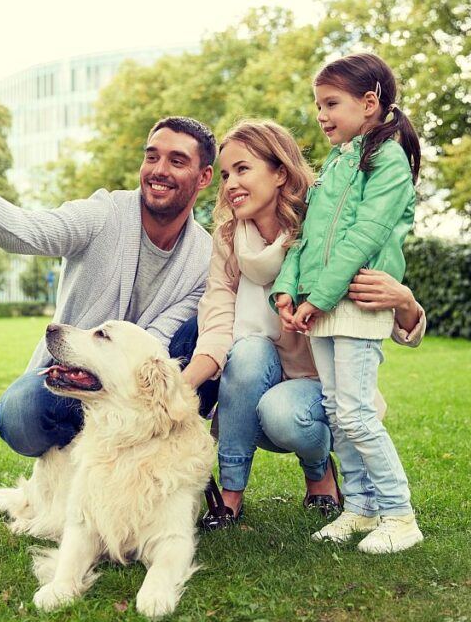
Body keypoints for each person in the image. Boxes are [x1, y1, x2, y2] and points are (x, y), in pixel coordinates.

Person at [0, 115, 218, 456]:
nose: (159, 170)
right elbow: (28, 230)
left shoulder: (204, 258)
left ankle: (148, 454)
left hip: (137, 391)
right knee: (18, 414)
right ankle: (87, 464)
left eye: (176, 161)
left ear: (204, 176)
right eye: (152, 157)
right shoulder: (104, 213)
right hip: (70, 375)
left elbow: (157, 343)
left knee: (206, 327)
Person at [180, 120, 426, 530]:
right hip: (254, 382)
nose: (230, 184)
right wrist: (181, 387)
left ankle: (321, 475)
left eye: (243, 169)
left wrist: (405, 301)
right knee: (248, 350)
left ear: (280, 173)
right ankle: (230, 497)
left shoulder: (322, 227)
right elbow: (219, 318)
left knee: (283, 412)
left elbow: (375, 312)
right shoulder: (228, 239)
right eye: (225, 174)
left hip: (319, 389)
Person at [270, 53, 424, 554]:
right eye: (318, 105)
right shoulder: (335, 163)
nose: (321, 115)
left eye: (331, 103)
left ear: (369, 103)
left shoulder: (386, 160)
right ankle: (359, 508)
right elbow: (305, 238)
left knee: (357, 414)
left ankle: (399, 515)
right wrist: (288, 290)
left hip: (356, 300)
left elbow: (363, 238)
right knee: (338, 414)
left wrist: (319, 297)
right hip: (325, 303)